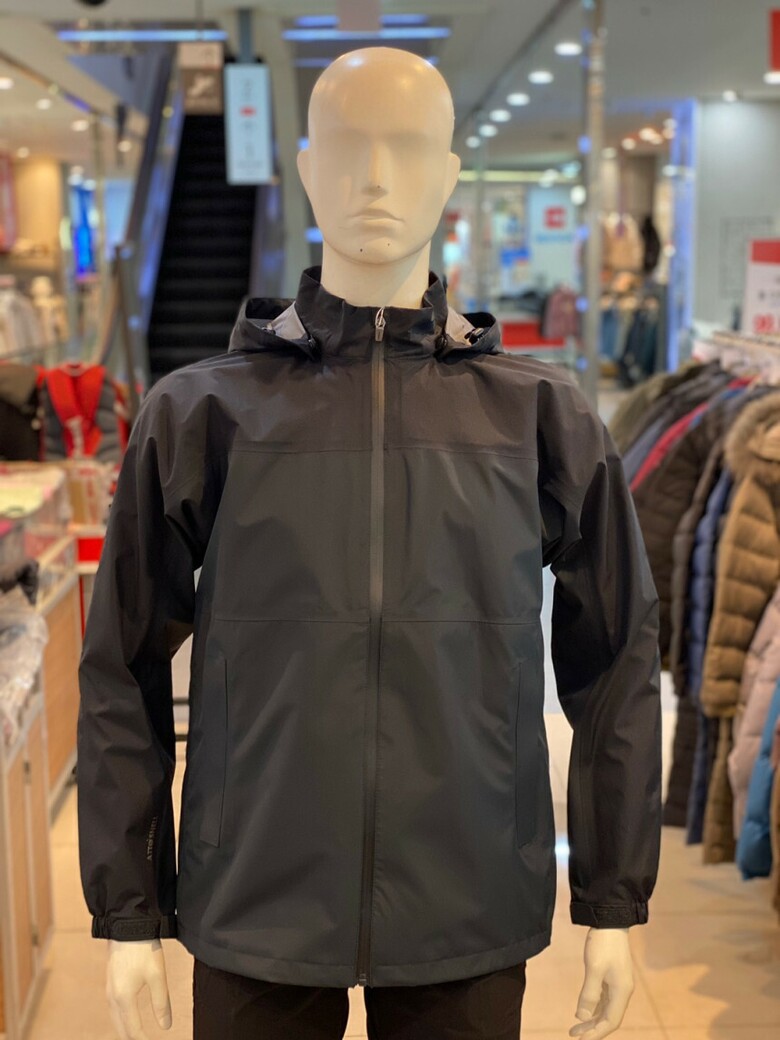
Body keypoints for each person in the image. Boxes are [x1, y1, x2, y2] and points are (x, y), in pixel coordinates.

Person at [77, 47, 662, 1040]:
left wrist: (613, 896)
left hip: (469, 894)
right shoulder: (203, 412)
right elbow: (120, 662)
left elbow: (616, 660)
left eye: (408, 148)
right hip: (253, 895)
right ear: (306, 170)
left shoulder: (539, 416)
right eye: (348, 147)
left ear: (449, 173)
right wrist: (129, 906)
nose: (376, 179)